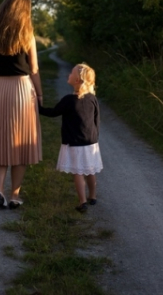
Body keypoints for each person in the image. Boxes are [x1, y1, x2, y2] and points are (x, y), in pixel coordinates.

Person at [0, 0, 43, 209]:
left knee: (0, 143)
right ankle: (14, 195)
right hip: (22, 89)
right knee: (20, 143)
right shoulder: (27, 35)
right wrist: (39, 94)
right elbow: (33, 69)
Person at [38, 63, 103, 213]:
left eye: (71, 73)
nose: (68, 74)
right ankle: (92, 196)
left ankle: (82, 202)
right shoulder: (93, 99)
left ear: (78, 80)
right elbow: (96, 120)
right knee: (90, 170)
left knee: (78, 172)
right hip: (90, 142)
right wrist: (94, 137)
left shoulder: (68, 100)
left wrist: (37, 107)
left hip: (74, 143)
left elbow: (53, 112)